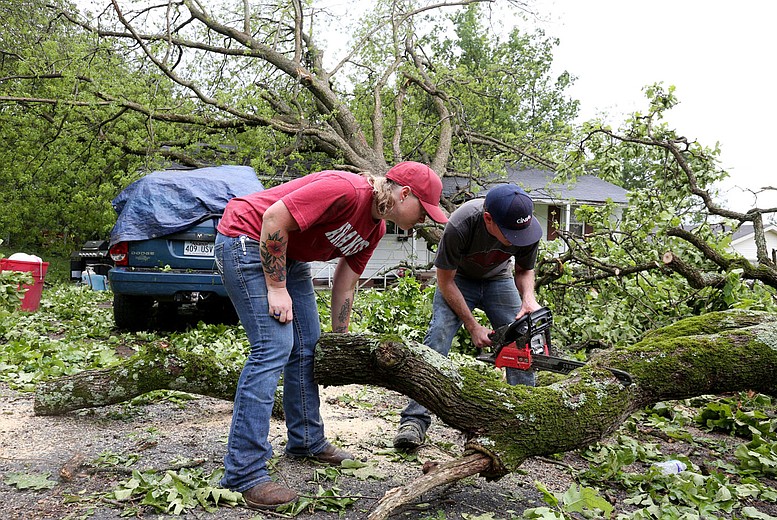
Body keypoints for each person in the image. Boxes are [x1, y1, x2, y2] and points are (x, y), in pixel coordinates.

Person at [214, 161, 448, 510]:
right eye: (424, 210)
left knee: (310, 348)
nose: (425, 219)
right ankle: (243, 473)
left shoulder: (375, 230)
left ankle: (306, 440)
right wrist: (276, 289)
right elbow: (273, 220)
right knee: (273, 347)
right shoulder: (345, 189)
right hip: (246, 239)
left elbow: (345, 282)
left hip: (288, 255)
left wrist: (341, 337)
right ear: (404, 194)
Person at [392, 183, 543, 452]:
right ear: (488, 219)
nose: (517, 239)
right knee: (438, 335)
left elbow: (524, 271)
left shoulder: (526, 229)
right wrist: (473, 326)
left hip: (498, 278)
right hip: (458, 279)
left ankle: (523, 422)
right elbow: (446, 281)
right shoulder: (462, 223)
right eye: (510, 234)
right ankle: (414, 420)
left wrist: (528, 298)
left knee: (521, 338)